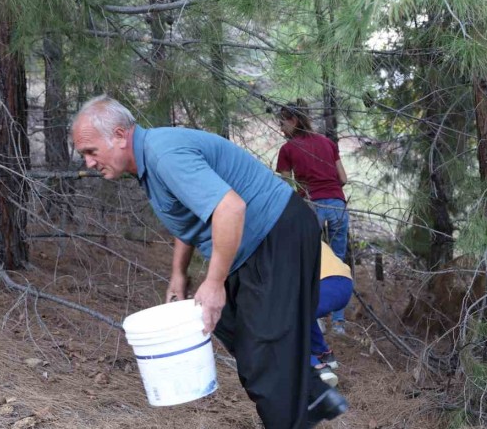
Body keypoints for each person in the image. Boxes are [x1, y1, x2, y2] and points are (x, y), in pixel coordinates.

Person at [71, 95, 347, 428]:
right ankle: (314, 397)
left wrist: (214, 282)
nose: (88, 163)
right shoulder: (150, 159)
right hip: (253, 244)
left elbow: (230, 209)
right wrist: (178, 273)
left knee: (265, 354)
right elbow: (192, 214)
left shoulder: (164, 154)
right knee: (235, 330)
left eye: (90, 151)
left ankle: (296, 411)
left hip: (276, 233)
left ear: (118, 135)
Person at [275, 100, 350, 334]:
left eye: (282, 122)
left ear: (294, 120)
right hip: (338, 204)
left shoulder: (288, 149)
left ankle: (315, 316)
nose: (280, 128)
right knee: (337, 260)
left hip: (311, 205)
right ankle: (338, 322)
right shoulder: (328, 142)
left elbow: (287, 186)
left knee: (310, 261)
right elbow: (344, 178)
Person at [310, 241, 353, 387]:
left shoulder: (281, 239)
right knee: (303, 314)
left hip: (325, 283)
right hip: (345, 283)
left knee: (289, 317)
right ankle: (324, 354)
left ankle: (316, 367)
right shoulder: (309, 233)